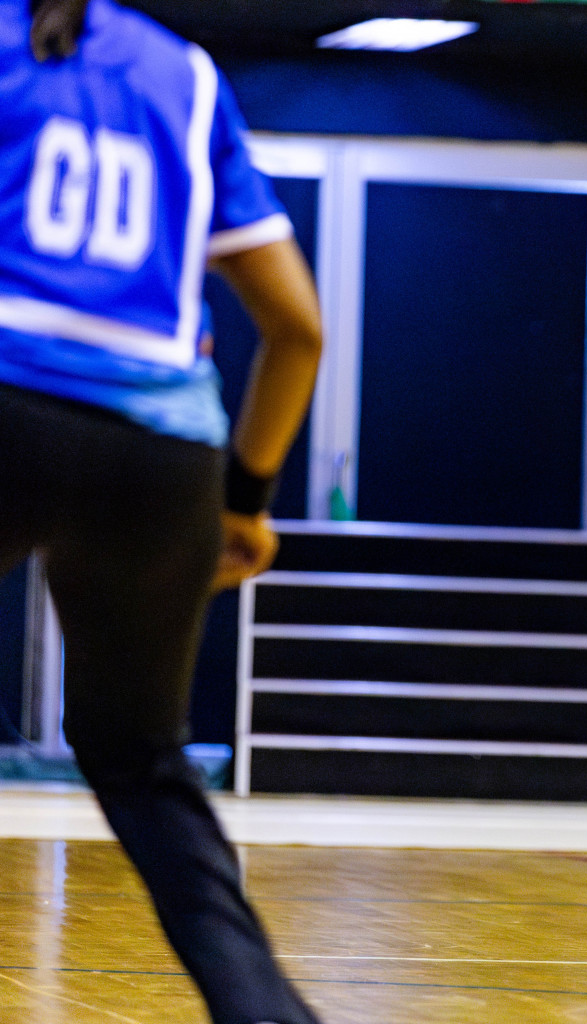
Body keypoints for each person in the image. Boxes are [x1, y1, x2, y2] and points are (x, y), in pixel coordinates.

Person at [1, 2, 325, 1022]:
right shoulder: (184, 73)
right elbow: (299, 329)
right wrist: (244, 501)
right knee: (144, 762)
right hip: (164, 454)